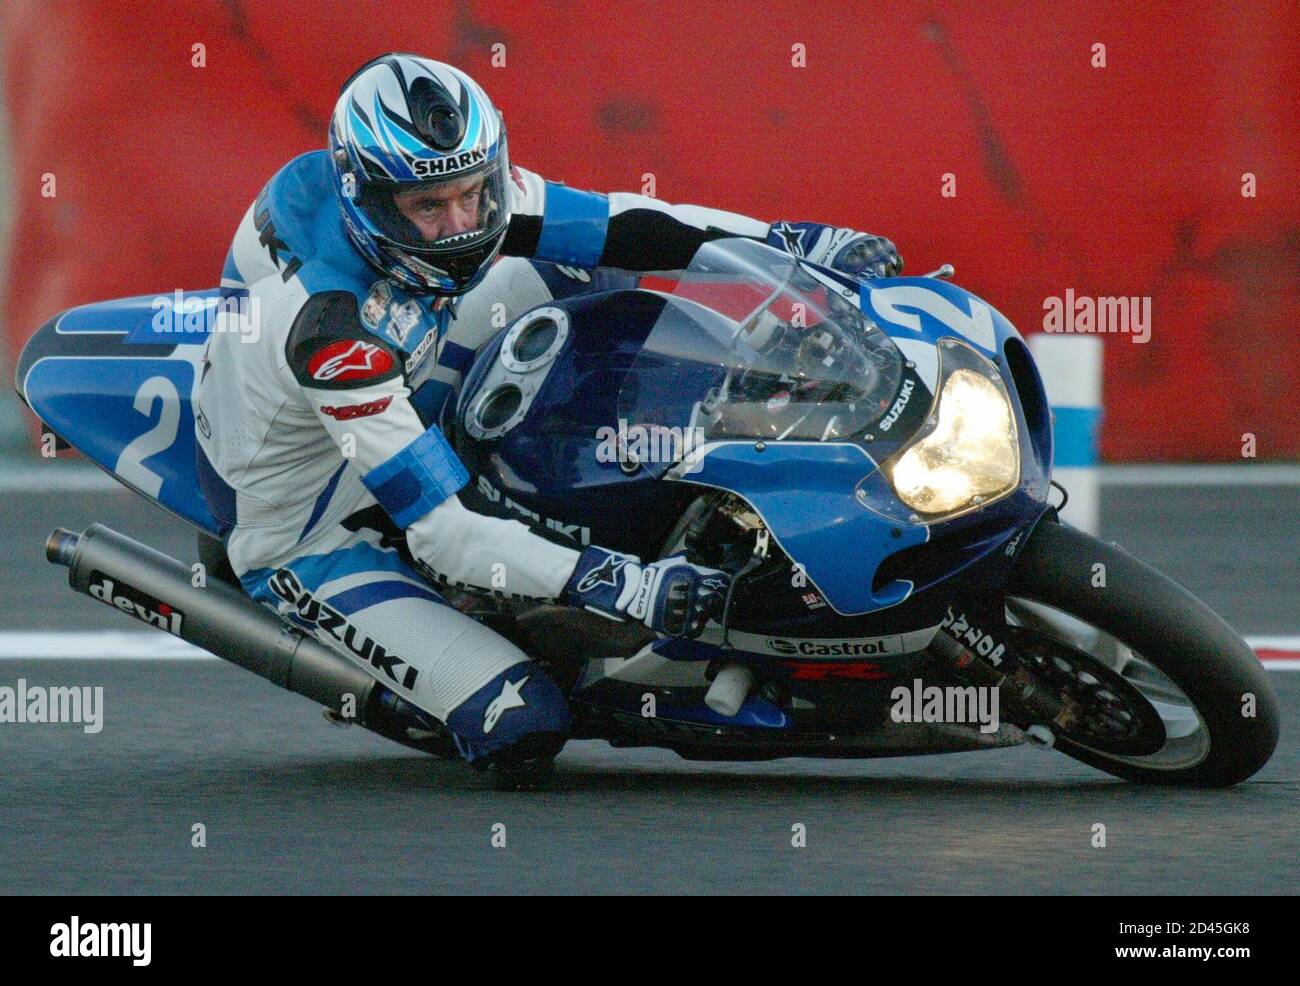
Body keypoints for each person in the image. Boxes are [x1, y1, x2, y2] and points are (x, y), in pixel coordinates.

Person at [195, 52, 903, 783]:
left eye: (473, 192)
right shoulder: (333, 333)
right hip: (312, 520)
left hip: (384, 368)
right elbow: (442, 535)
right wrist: (625, 584)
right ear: (367, 200)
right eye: (429, 209)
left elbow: (626, 224)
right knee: (525, 725)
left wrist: (796, 244)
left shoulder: (416, 194)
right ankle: (427, 665)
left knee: (590, 265)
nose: (463, 225)